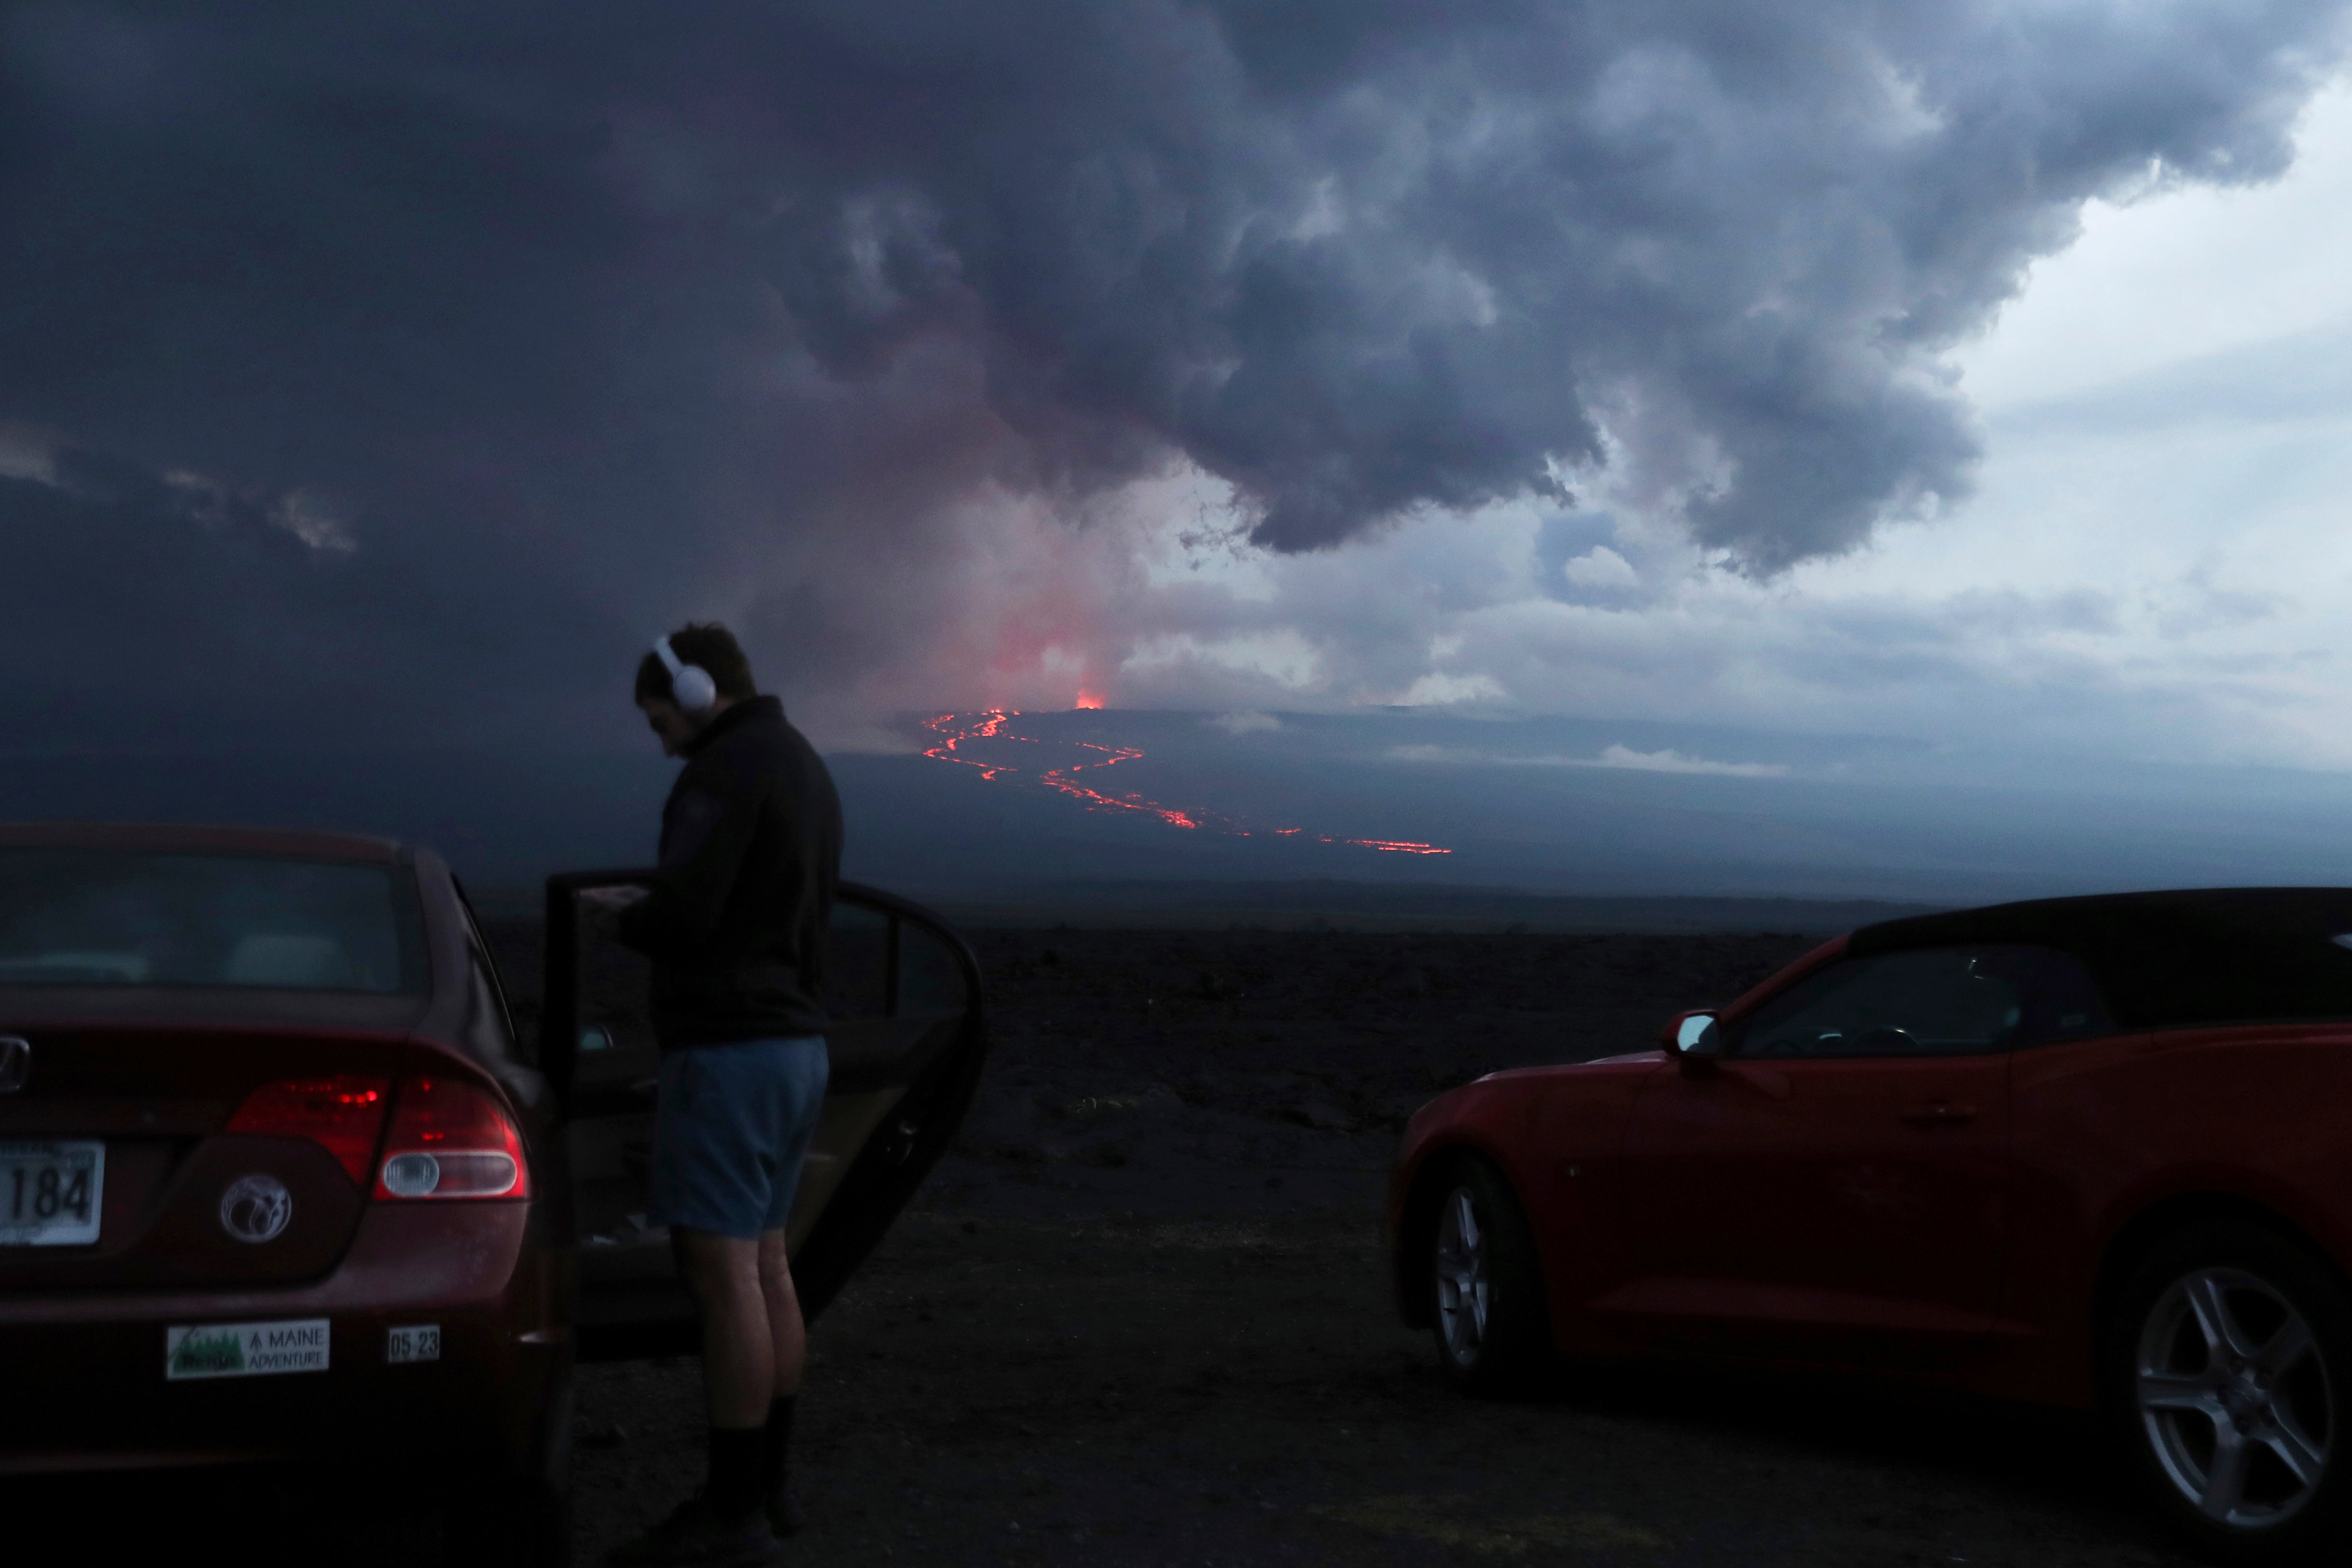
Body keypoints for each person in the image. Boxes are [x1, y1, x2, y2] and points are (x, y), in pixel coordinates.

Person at [596, 623, 842, 1568]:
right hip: (797, 1049)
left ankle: (732, 1513)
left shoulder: (723, 772)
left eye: (658, 712)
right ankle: (767, 1492)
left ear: (695, 690)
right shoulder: (804, 763)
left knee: (724, 1273)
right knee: (769, 1265)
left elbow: (689, 911)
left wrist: (625, 916)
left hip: (732, 1052)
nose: (657, 732)